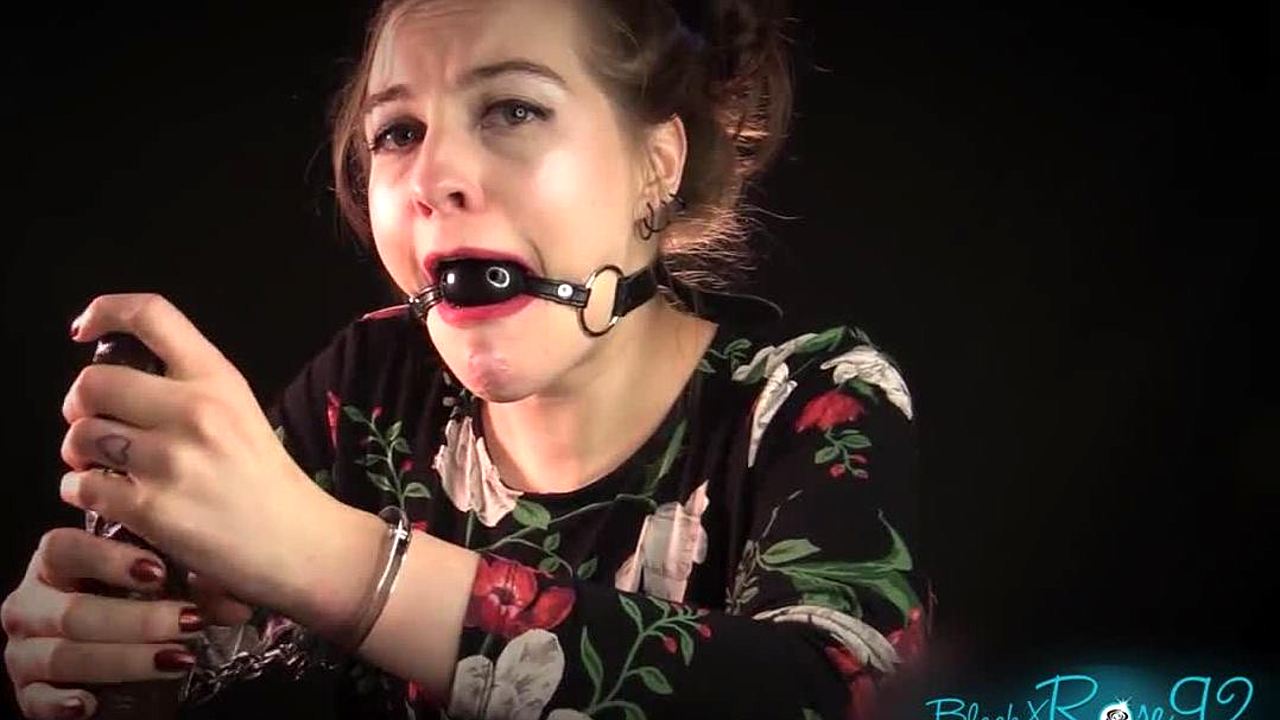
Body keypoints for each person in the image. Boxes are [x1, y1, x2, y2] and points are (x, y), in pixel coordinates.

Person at [2, 0, 934, 718]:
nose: (429, 177)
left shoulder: (811, 404)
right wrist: (129, 653)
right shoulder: (365, 388)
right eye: (397, 133)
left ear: (657, 167)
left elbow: (841, 698)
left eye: (513, 109)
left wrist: (334, 564)